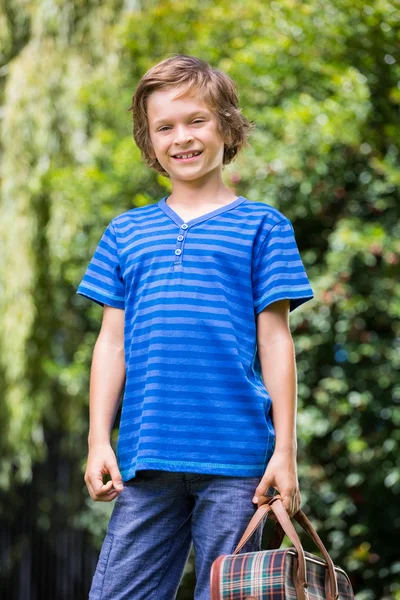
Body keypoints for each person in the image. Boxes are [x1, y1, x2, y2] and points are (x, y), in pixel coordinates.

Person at [76, 53, 314, 600]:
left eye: (196, 120)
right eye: (165, 127)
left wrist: (285, 452)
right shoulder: (126, 232)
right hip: (147, 455)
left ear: (227, 126)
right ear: (150, 142)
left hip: (238, 464)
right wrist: (97, 440)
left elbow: (276, 340)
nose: (182, 137)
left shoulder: (263, 227)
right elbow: (111, 343)